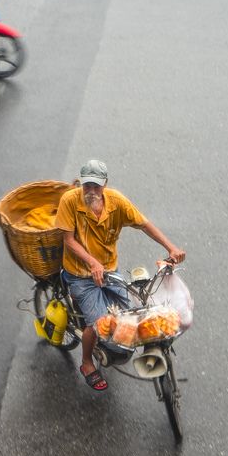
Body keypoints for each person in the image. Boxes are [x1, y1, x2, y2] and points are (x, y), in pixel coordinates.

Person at [55, 159, 186, 391]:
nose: (91, 191)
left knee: (132, 317)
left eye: (96, 186)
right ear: (82, 184)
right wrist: (93, 263)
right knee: (98, 325)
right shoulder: (69, 201)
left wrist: (171, 248)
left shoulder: (116, 202)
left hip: (108, 271)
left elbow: (144, 224)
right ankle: (86, 363)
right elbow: (68, 240)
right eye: (87, 185)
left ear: (105, 184)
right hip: (80, 275)